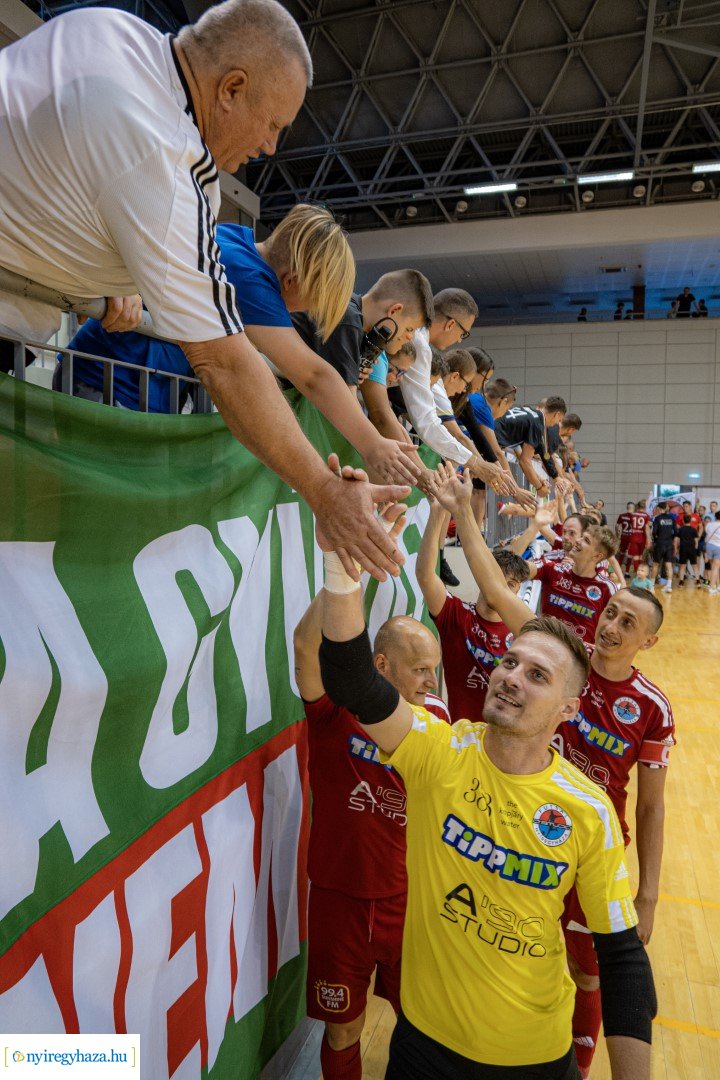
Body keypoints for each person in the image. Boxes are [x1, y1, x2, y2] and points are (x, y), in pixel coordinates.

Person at [0, 0, 407, 580]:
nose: (269, 147)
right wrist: (323, 491)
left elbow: (63, 190)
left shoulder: (105, 27)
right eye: (272, 124)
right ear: (232, 88)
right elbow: (225, 363)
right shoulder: (165, 159)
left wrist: (112, 276)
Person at [317, 482, 656, 1080]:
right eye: (509, 662)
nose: (512, 678)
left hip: (535, 1058)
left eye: (537, 674)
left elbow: (624, 959)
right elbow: (351, 681)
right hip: (423, 1050)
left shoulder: (588, 811)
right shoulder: (438, 750)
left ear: (568, 710)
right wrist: (340, 569)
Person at [429, 467, 672, 1079]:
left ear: (646, 642)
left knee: (592, 970)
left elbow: (650, 807)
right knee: (513, 944)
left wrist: (646, 893)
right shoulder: (559, 664)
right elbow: (493, 583)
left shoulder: (651, 708)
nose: (611, 626)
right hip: (522, 827)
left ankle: (579, 1067)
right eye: (611, 613)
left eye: (627, 623)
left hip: (589, 846)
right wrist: (462, 510)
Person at [57, 207, 420, 485]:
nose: (304, 312)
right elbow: (311, 375)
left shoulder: (234, 238)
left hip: (124, 386)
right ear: (291, 280)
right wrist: (373, 446)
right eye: (309, 302)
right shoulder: (249, 278)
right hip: (110, 390)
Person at [293, 503, 449, 1080]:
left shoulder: (436, 722)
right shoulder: (334, 714)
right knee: (344, 1028)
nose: (433, 684)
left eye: (435, 671)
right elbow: (307, 647)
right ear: (380, 666)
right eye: (422, 671)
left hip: (413, 899)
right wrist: (346, 566)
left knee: (424, 1023)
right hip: (339, 895)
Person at [417, 495, 530, 722]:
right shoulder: (456, 614)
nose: (501, 590)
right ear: (484, 579)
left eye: (510, 585)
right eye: (497, 581)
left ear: (518, 590)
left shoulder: (524, 632)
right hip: (461, 741)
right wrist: (438, 512)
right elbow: (426, 576)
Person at [399, 289, 513, 495]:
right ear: (451, 324)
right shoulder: (420, 346)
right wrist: (476, 464)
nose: (460, 340)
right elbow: (427, 423)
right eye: (463, 333)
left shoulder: (419, 342)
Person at [510, 506, 620, 643]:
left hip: (577, 660)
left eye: (586, 540)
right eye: (582, 537)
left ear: (597, 556)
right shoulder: (552, 569)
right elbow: (511, 564)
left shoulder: (607, 588)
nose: (578, 541)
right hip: (544, 651)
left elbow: (613, 633)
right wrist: (535, 526)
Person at [495, 397, 567, 495]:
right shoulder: (537, 424)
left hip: (485, 432)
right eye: (559, 420)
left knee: (478, 490)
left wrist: (554, 477)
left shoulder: (532, 414)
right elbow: (525, 461)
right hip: (487, 440)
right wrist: (539, 487)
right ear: (557, 414)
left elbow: (544, 453)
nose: (556, 423)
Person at [650, 503, 677, 593]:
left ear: (659, 509)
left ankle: (652, 585)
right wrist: (670, 538)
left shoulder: (657, 518)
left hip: (660, 543)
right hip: (669, 544)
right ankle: (669, 586)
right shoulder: (672, 518)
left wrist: (656, 539)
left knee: (656, 564)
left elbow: (654, 532)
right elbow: (676, 532)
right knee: (669, 565)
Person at [676, 515, 699, 586]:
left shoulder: (680, 529)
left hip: (683, 549)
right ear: (690, 521)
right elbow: (696, 541)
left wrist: (677, 548)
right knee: (694, 565)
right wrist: (695, 548)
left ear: (683, 521)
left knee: (682, 566)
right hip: (691, 549)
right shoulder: (694, 529)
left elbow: (677, 540)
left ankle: (681, 581)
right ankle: (698, 581)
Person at [703, 511, 720, 594]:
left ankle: (718, 586)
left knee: (714, 567)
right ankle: (712, 587)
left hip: (709, 546)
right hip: (718, 547)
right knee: (716, 568)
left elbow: (707, 533)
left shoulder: (709, 524)